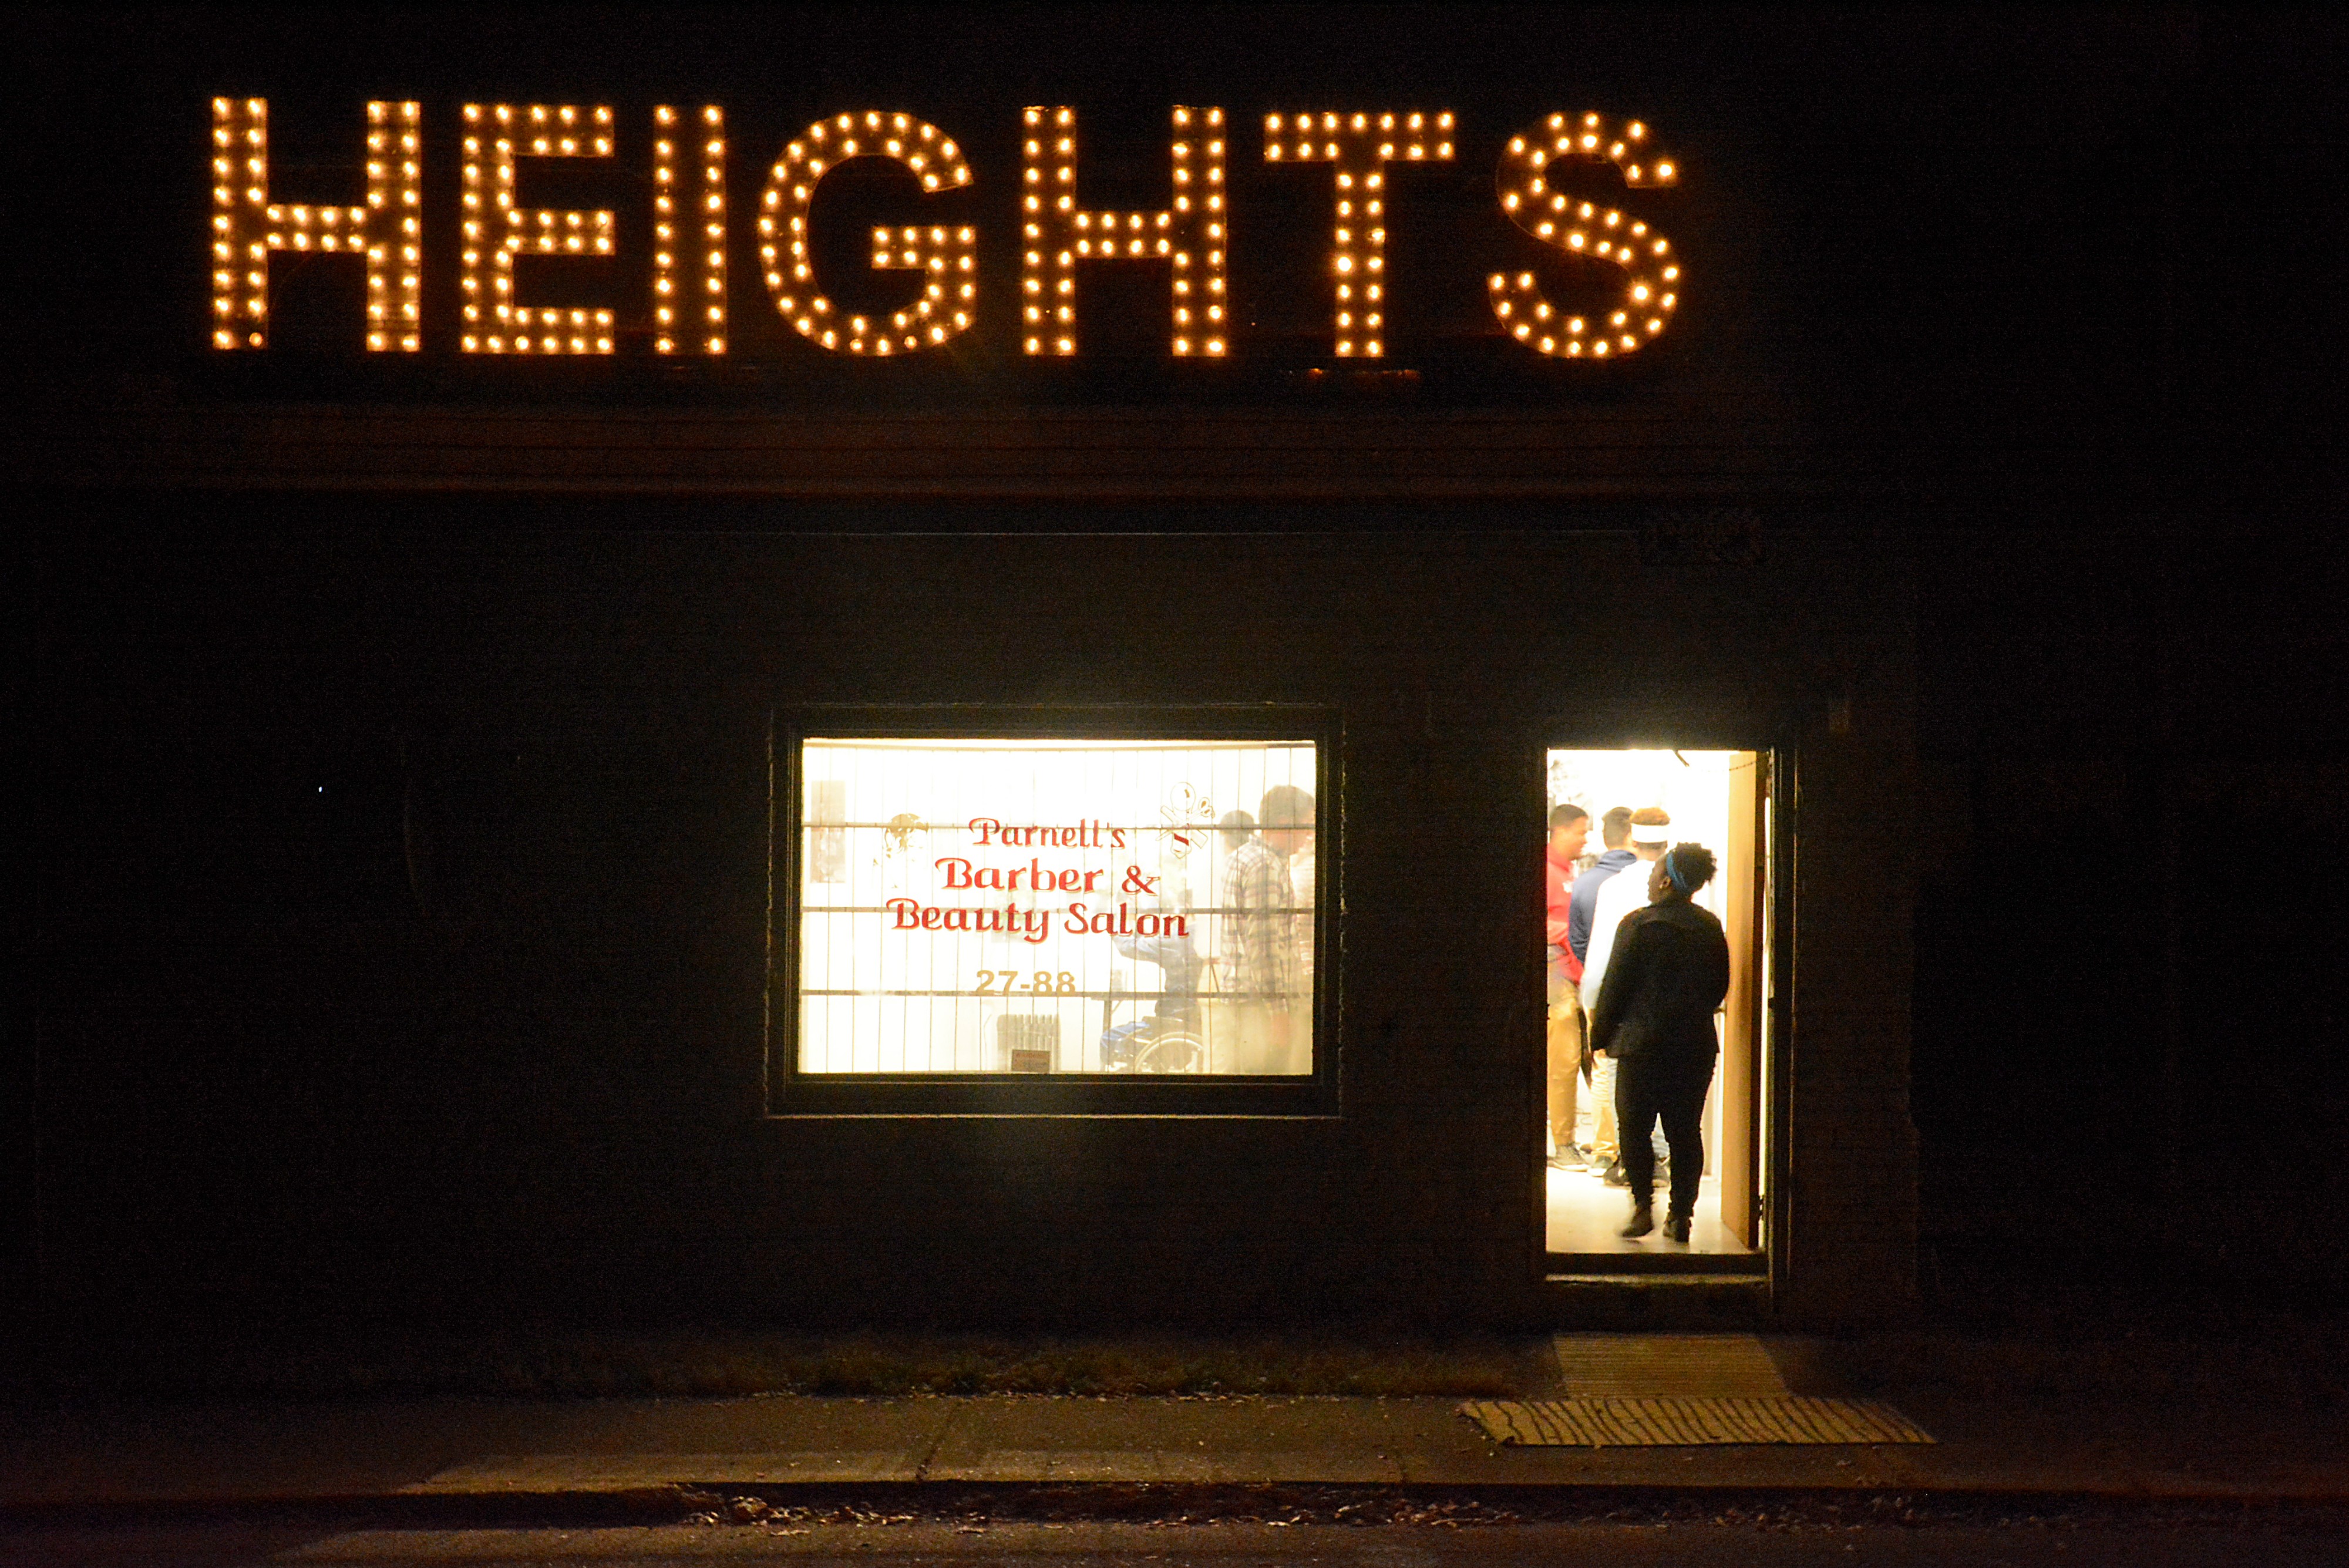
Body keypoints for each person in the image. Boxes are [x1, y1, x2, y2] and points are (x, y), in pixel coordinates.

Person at [1588, 842, 1731, 1243]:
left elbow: (1614, 988)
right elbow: (1720, 986)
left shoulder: (1638, 924)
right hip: (1694, 1046)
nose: (1650, 880)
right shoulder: (1709, 926)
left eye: (1653, 874)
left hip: (1641, 1046)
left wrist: (1599, 1037)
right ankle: (1681, 1217)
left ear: (1666, 880)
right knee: (1685, 1131)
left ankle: (1641, 1207)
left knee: (1634, 1128)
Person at [1581, 808, 1674, 1183]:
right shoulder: (1683, 888)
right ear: (1666, 843)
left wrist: (1593, 1001)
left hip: (1626, 1002)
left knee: (1623, 1082)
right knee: (1667, 1080)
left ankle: (1631, 1162)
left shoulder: (1614, 887)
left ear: (1632, 841)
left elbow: (1602, 951)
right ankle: (1663, 1160)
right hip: (1671, 1001)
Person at [1220, 783, 1313, 1074]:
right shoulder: (1266, 866)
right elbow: (1265, 945)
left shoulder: (1244, 856)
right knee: (1267, 1090)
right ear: (1286, 824)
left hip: (1244, 998)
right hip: (1258, 1005)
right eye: (1306, 826)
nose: (1309, 835)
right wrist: (1279, 1012)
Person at [1567, 807, 1639, 1171]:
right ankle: (1641, 1151)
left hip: (1596, 983)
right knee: (1639, 1069)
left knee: (1603, 1066)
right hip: (1640, 992)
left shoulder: (1584, 883)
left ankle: (1604, 1150)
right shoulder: (1647, 882)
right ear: (1632, 836)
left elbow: (1579, 941)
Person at [1543, 803, 1592, 1167]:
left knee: (1588, 1056)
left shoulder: (1570, 873)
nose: (1585, 839)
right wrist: (1569, 934)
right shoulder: (1543, 871)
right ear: (1560, 831)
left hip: (1576, 973)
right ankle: (1563, 1143)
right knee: (1565, 1058)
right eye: (1580, 831)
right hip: (1555, 974)